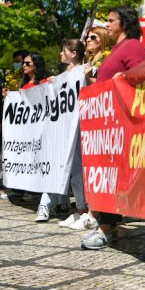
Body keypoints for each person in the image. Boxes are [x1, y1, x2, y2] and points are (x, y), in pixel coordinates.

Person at [80, 6, 145, 250]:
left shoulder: (133, 46)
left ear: (125, 23)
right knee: (106, 177)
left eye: (111, 20)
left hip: (119, 123)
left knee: (112, 177)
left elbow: (141, 74)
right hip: (106, 124)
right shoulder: (117, 49)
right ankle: (107, 225)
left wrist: (124, 78)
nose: (107, 24)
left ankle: (106, 229)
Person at [53, 39, 98, 231]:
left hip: (81, 126)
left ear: (73, 54)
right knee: (72, 170)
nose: (61, 55)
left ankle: (85, 211)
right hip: (67, 128)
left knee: (79, 169)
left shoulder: (85, 70)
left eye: (64, 51)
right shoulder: (63, 76)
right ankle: (79, 209)